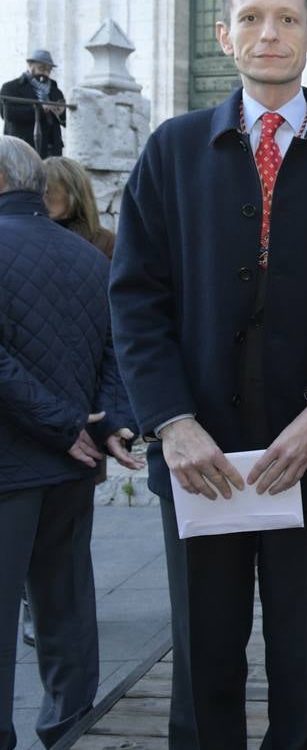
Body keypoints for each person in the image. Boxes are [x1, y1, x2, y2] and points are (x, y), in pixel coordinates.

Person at [109, 0, 307, 749]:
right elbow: (135, 298)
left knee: (302, 660)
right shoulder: (171, 151)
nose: (269, 33)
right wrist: (171, 422)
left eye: (287, 19)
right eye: (250, 18)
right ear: (223, 34)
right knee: (203, 659)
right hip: (198, 455)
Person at [0, 137, 141, 748]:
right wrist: (103, 425)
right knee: (66, 604)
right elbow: (117, 350)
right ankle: (71, 727)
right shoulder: (89, 255)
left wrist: (65, 425)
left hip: (15, 465)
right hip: (71, 464)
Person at [43, 156, 116, 258]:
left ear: (72, 194)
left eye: (47, 191)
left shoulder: (107, 242)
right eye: (37, 191)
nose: (40, 197)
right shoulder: (30, 235)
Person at [1, 50, 67, 159]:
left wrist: (62, 113)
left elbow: (66, 121)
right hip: (23, 149)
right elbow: (8, 113)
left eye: (48, 70)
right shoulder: (11, 87)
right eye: (41, 69)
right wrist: (40, 109)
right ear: (30, 65)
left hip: (51, 149)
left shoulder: (55, 91)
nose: (45, 74)